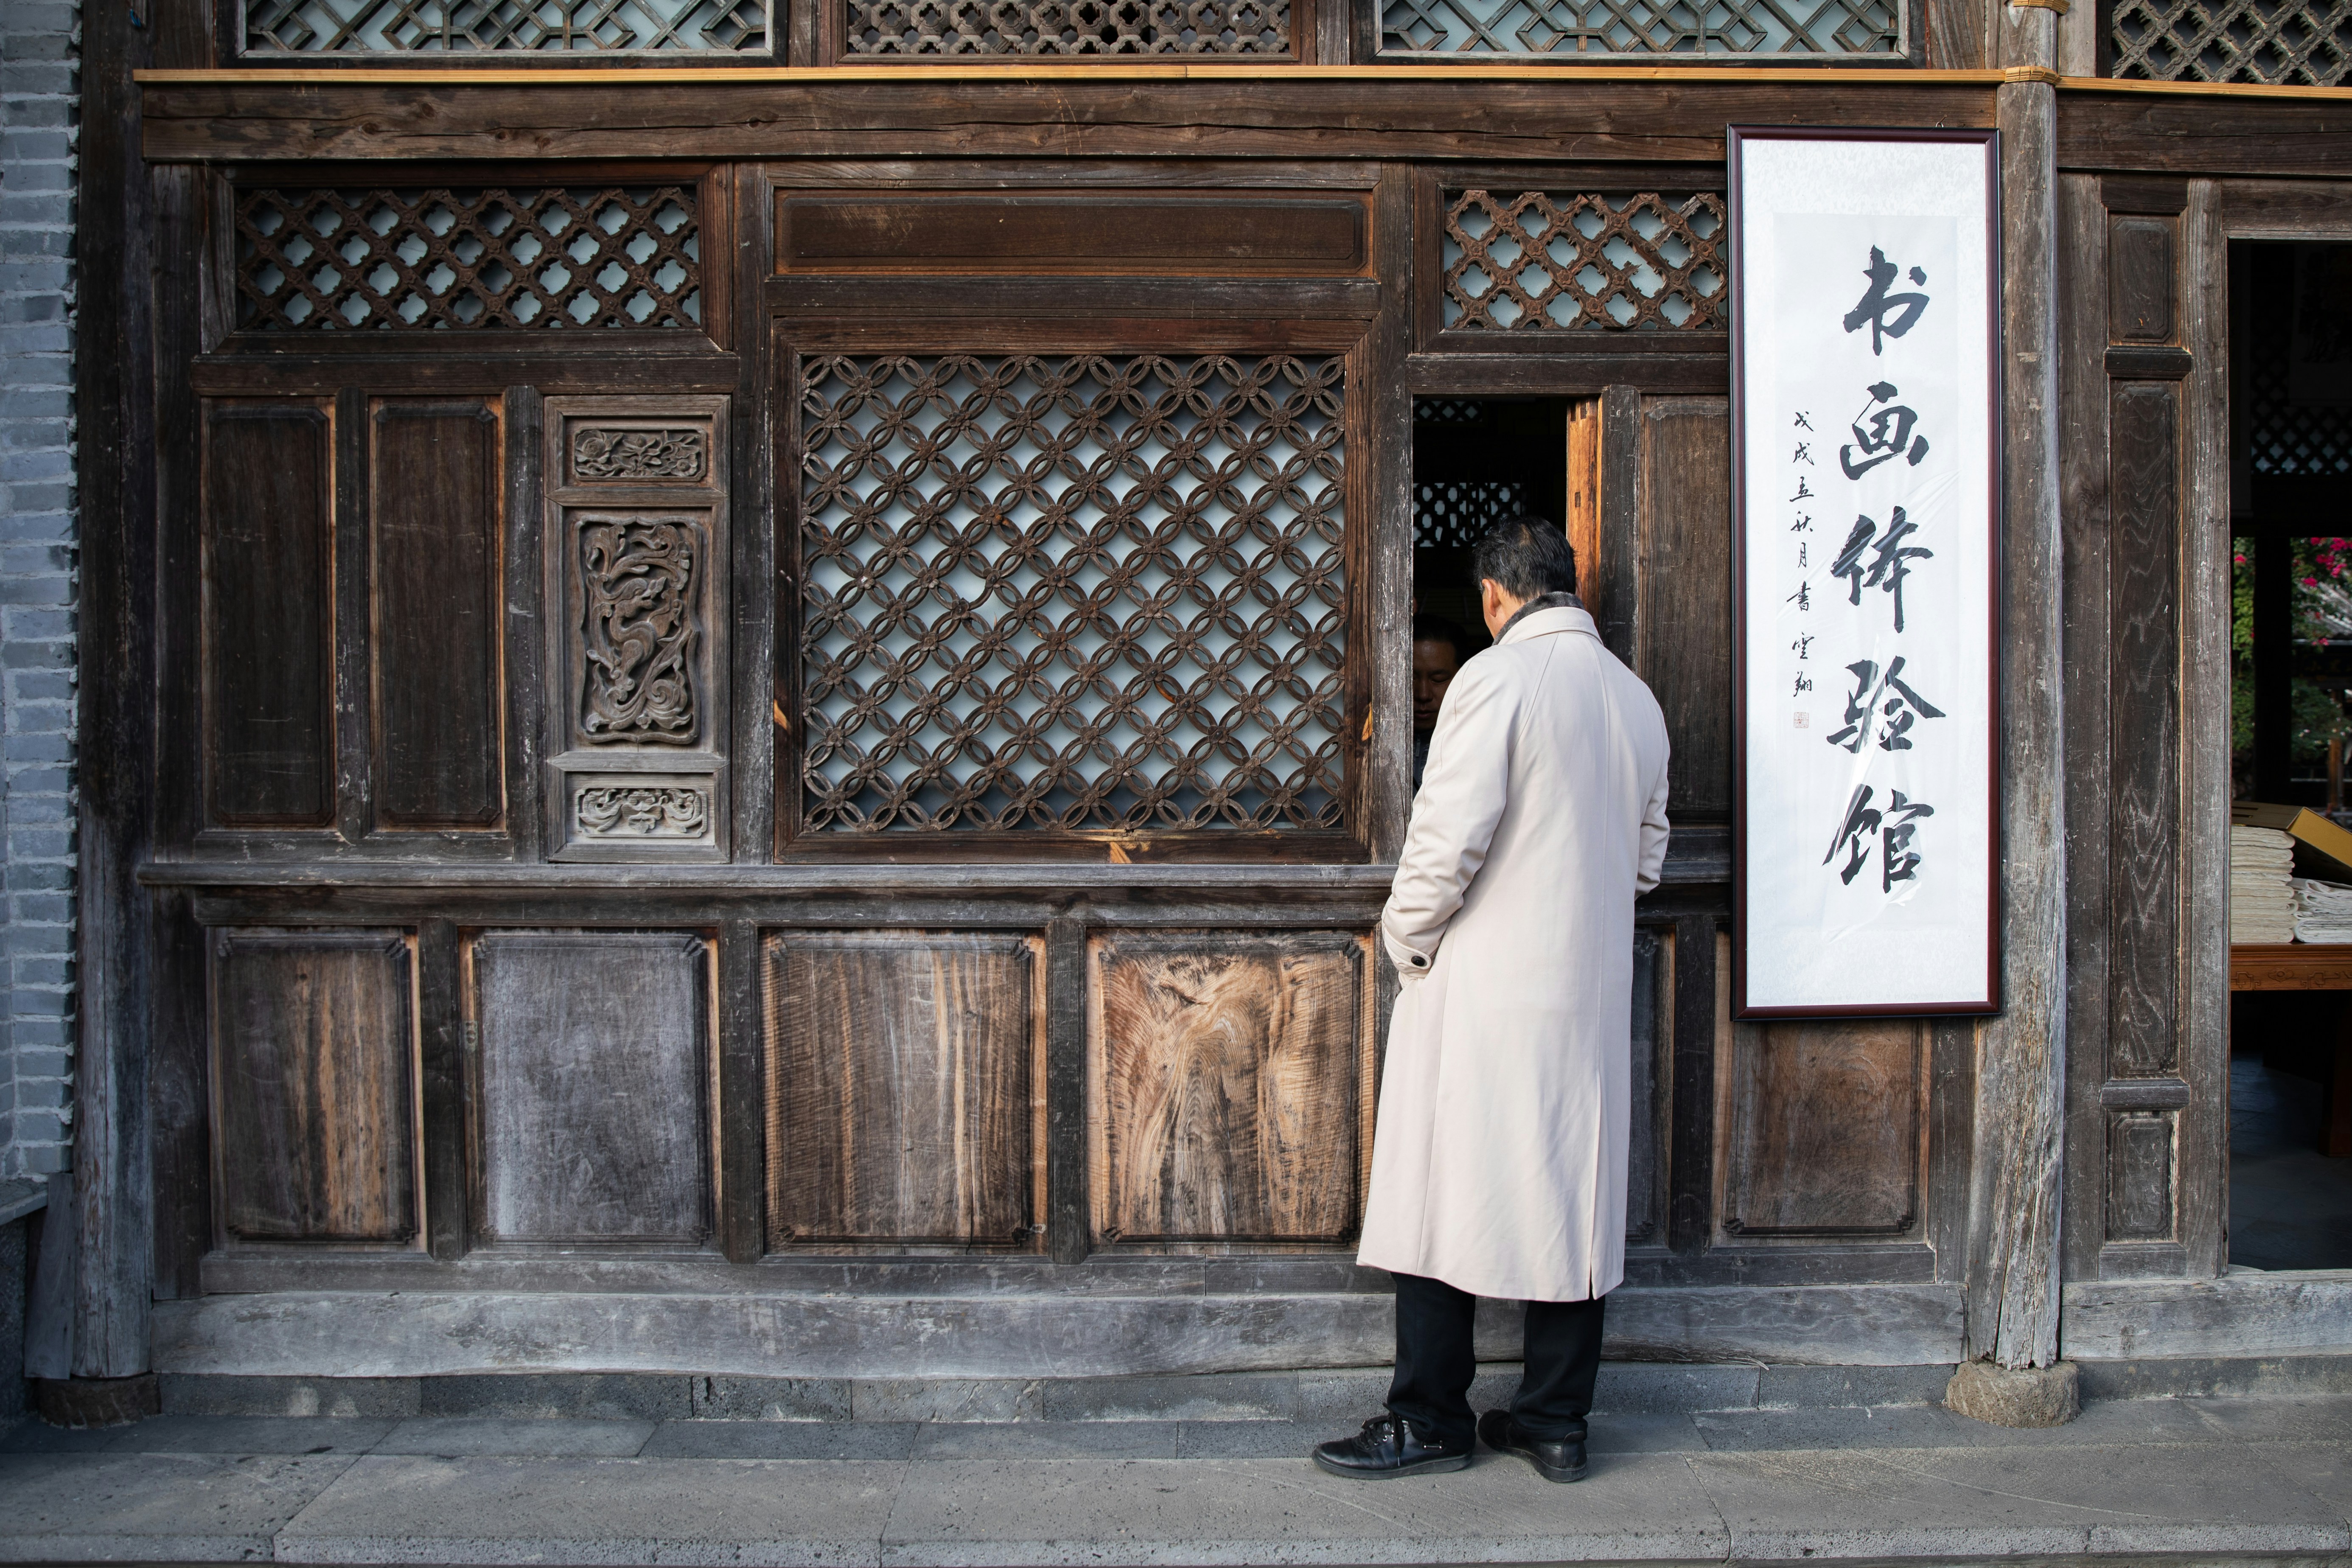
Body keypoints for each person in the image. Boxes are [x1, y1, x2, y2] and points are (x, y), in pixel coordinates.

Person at [1313, 514, 1671, 1484]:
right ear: (1566, 587)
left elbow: (1442, 842)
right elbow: (1645, 861)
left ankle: (1428, 1413)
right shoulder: (1634, 699)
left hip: (1480, 988)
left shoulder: (1493, 678)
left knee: (1437, 1191)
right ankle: (1554, 1420)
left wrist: (1404, 942)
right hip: (1585, 993)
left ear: (1491, 596)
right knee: (1571, 1192)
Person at [1411, 614, 1470, 789]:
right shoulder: (1364, 746)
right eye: (1410, 679)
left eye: (1438, 680)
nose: (1423, 695)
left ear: (1463, 678)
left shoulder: (1476, 745)